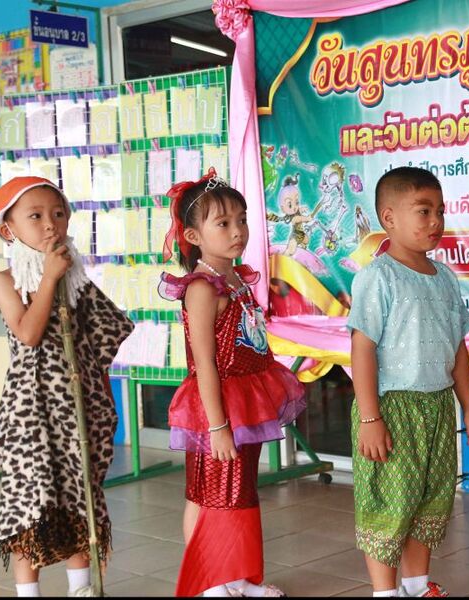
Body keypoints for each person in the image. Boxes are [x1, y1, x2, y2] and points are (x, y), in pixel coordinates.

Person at [158, 168, 306, 597]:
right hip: (216, 407)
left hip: (246, 400)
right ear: (193, 235)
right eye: (223, 223)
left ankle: (237, 576)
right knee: (209, 494)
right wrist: (218, 426)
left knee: (239, 491)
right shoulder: (201, 288)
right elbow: (204, 363)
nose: (237, 230)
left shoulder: (238, 277)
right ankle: (210, 583)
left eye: (241, 219)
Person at [0, 177, 134, 597]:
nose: (51, 224)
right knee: (29, 505)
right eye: (35, 216)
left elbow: (110, 330)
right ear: (9, 229)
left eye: (58, 213)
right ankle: (28, 592)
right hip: (31, 412)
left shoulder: (76, 281)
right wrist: (49, 280)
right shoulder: (5, 281)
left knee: (79, 496)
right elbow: (29, 334)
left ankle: (81, 588)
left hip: (77, 406)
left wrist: (93, 388)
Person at [347, 166, 469, 597]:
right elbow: (362, 349)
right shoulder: (378, 276)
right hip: (393, 408)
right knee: (390, 502)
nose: (436, 221)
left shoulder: (444, 277)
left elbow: (457, 347)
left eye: (440, 211)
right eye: (424, 211)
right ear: (389, 218)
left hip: (438, 406)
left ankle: (416, 585)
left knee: (430, 499)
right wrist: (370, 418)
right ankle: (384, 592)